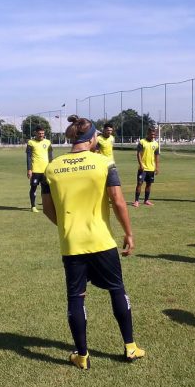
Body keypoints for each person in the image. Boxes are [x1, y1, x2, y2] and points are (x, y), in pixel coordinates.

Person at [41, 115, 145, 370]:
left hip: (72, 244)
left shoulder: (52, 167)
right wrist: (129, 233)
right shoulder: (104, 163)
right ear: (91, 138)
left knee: (76, 297)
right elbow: (118, 201)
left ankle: (82, 355)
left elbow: (46, 208)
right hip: (102, 241)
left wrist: (68, 227)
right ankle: (130, 347)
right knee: (116, 289)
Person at [26, 127, 53, 213]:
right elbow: (28, 157)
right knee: (33, 187)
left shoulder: (48, 142)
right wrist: (29, 169)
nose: (41, 135)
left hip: (46, 170)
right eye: (39, 133)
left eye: (42, 133)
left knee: (45, 189)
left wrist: (51, 167)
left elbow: (50, 156)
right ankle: (33, 206)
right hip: (35, 170)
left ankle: (46, 205)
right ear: (36, 133)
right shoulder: (31, 142)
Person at [133, 127, 160, 207]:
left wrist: (157, 167)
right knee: (139, 183)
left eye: (154, 134)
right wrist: (141, 164)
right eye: (151, 134)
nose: (153, 136)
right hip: (143, 168)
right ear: (148, 134)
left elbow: (157, 155)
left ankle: (146, 200)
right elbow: (138, 154)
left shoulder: (155, 144)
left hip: (151, 168)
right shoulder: (142, 142)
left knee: (149, 184)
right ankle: (136, 201)